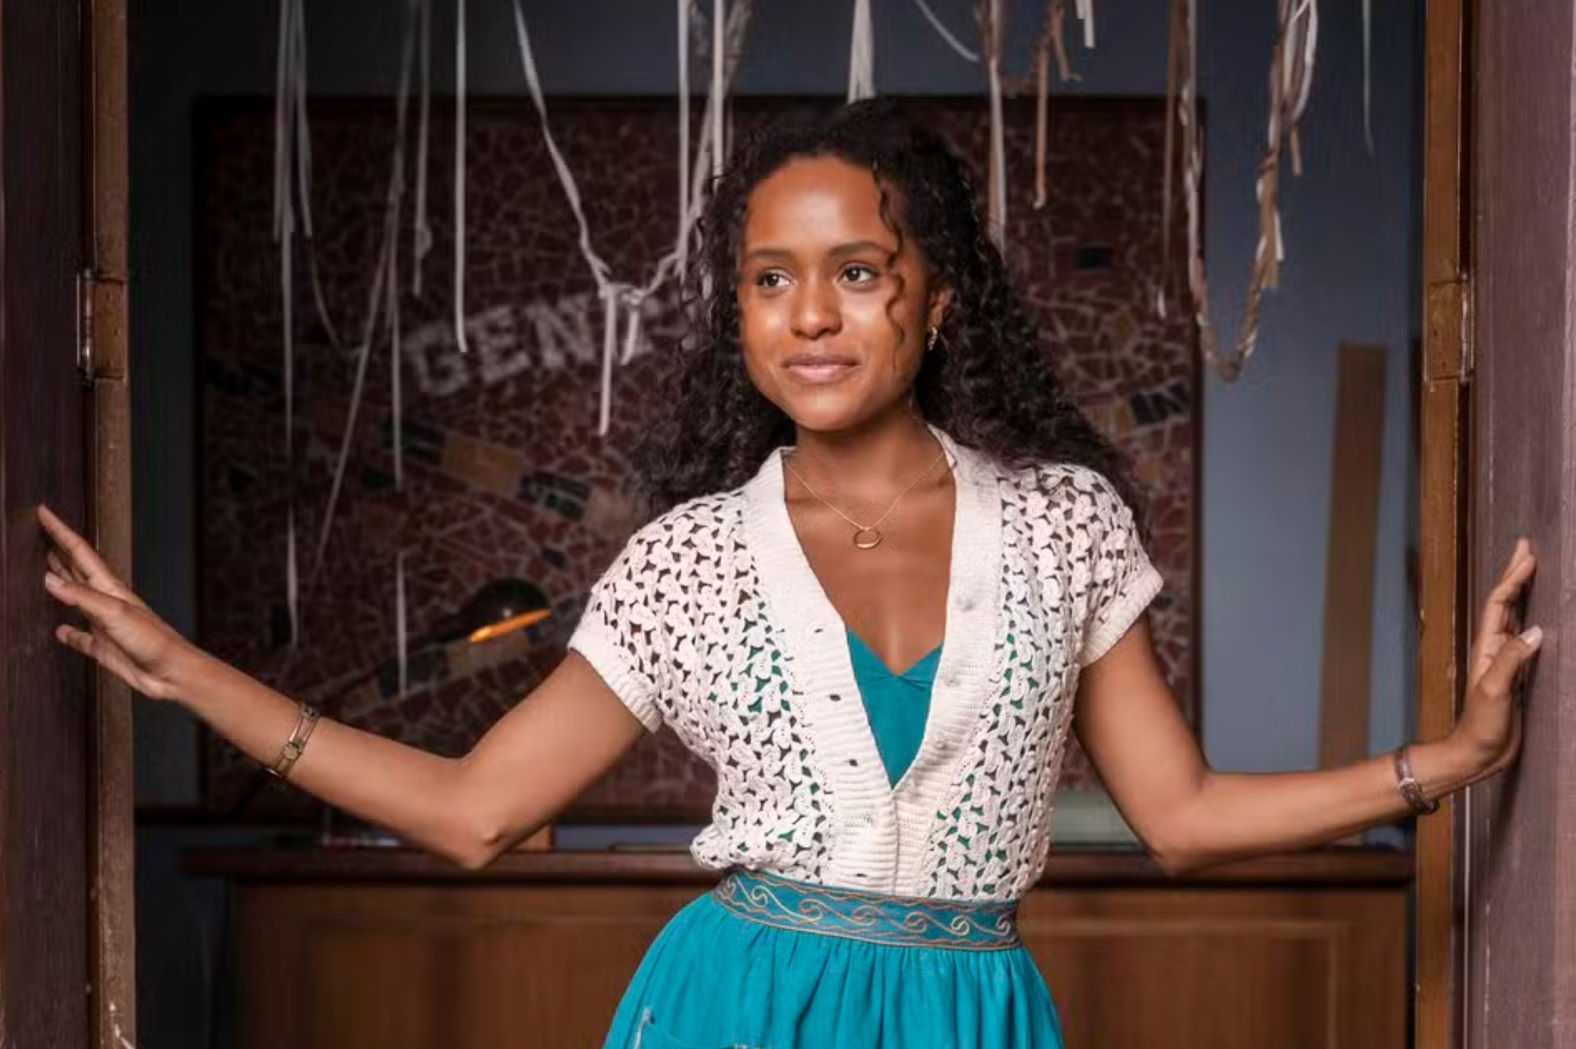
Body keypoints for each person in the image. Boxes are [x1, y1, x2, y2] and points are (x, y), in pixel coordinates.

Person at [38, 100, 1540, 1049]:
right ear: (741, 311)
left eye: (857, 272)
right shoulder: (688, 563)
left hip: (973, 1013)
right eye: (770, 278)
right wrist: (189, 674)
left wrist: (1453, 758)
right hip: (738, 1004)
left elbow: (1186, 818)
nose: (809, 315)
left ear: (935, 301)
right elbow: (474, 809)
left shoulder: (1067, 524)